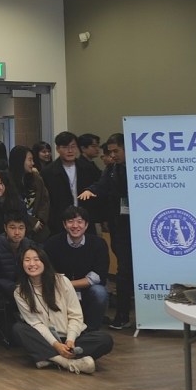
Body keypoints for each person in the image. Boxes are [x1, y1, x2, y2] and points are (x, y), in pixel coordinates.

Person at [13, 246, 114, 374]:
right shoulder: (20, 292)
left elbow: (75, 315)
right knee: (19, 329)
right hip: (46, 340)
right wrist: (56, 345)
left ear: (44, 262)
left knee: (105, 339)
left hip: (72, 339)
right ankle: (68, 363)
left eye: (36, 259)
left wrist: (70, 340)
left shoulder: (62, 281)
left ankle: (48, 358)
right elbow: (36, 324)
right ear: (22, 264)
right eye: (27, 260)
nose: (32, 264)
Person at [78, 133, 133, 328]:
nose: (113, 155)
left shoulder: (141, 168)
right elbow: (101, 186)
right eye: (110, 152)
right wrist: (91, 190)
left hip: (141, 227)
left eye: (116, 151)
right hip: (120, 227)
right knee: (123, 270)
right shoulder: (111, 170)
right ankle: (122, 315)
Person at [43, 206, 109, 331]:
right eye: (70, 221)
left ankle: (91, 330)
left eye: (79, 221)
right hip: (60, 289)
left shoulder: (98, 244)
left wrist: (69, 284)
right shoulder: (52, 243)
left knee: (100, 292)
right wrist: (64, 285)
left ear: (86, 225)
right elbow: (48, 271)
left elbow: (98, 276)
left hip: (86, 289)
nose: (75, 226)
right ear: (64, 224)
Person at [41, 131, 102, 233]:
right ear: (57, 149)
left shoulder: (88, 168)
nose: (70, 151)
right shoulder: (48, 172)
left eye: (73, 146)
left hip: (85, 219)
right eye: (65, 147)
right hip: (60, 222)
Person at [0, 211, 35, 307]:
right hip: (3, 293)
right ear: (5, 228)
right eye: (12, 228)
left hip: (27, 291)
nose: (17, 232)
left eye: (21, 228)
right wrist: (13, 288)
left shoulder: (30, 246)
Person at [8, 145, 51, 243]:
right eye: (30, 160)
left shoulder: (36, 178)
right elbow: (11, 207)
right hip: (16, 230)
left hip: (39, 231)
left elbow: (45, 200)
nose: (33, 163)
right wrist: (32, 222)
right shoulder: (7, 181)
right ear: (20, 161)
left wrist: (40, 220)